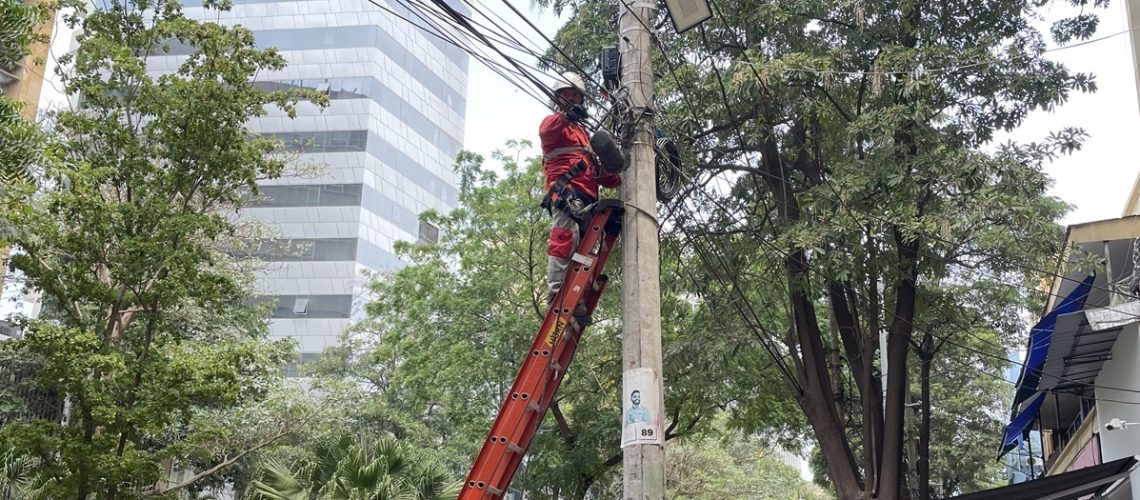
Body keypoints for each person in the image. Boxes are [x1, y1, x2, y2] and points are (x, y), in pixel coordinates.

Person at [539, 72, 620, 316]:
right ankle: (555, 295)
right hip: (567, 192)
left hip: (587, 199)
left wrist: (623, 172)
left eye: (576, 95)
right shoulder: (554, 124)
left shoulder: (584, 135)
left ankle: (578, 298)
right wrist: (566, 115)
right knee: (566, 239)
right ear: (559, 97)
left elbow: (606, 176)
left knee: (584, 253)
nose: (573, 99)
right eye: (568, 94)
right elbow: (548, 130)